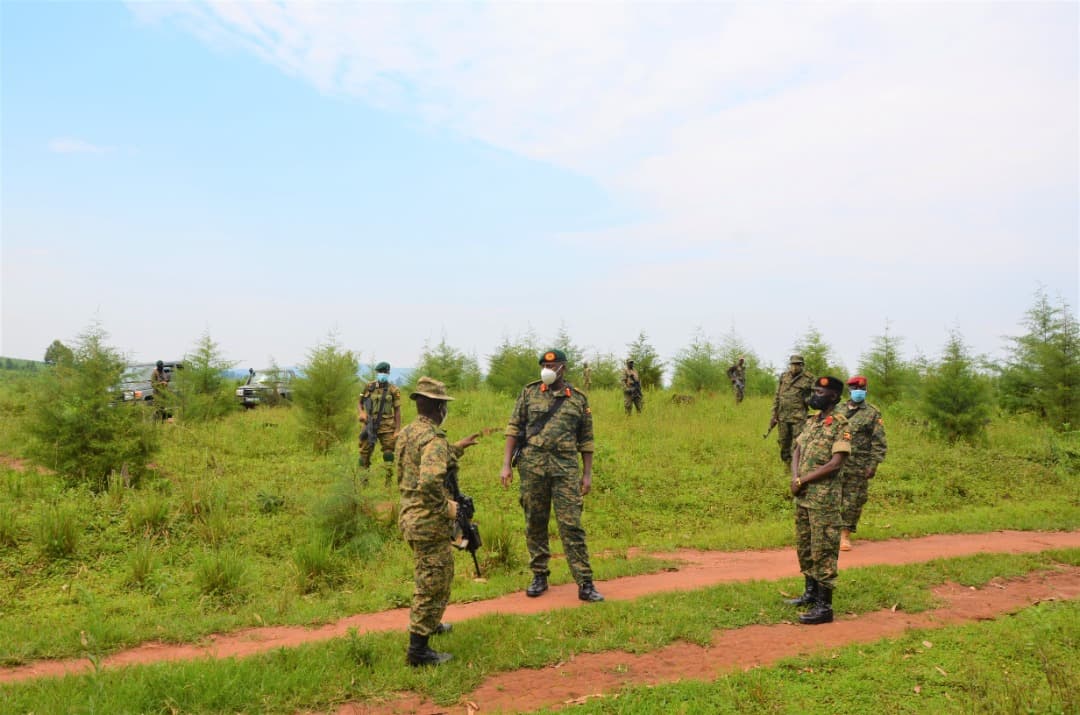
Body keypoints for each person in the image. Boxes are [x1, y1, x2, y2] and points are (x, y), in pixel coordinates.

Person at [500, 349, 603, 602]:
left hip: (565, 470)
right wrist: (506, 465)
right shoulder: (529, 392)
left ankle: (585, 582)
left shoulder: (578, 399)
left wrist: (587, 474)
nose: (547, 370)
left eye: (553, 365)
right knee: (535, 522)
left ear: (563, 368)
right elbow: (513, 428)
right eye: (544, 366)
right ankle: (539, 575)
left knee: (571, 525)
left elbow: (586, 440)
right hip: (532, 468)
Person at [396, 376, 480, 667]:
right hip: (428, 522)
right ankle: (418, 650)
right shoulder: (433, 439)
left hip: (410, 516)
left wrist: (456, 447)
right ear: (440, 407)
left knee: (430, 574)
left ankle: (430, 624)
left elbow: (421, 460)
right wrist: (448, 508)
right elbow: (431, 480)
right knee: (433, 582)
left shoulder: (408, 433)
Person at [785, 376, 850, 625]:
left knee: (823, 548)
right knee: (805, 545)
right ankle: (810, 594)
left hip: (824, 499)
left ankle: (825, 606)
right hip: (803, 496)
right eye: (814, 391)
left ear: (833, 396)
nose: (814, 395)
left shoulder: (840, 424)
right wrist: (795, 478)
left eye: (820, 392)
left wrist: (802, 480)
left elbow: (835, 464)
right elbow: (797, 450)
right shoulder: (812, 422)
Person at [837, 376, 888, 551]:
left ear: (866, 390)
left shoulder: (872, 413)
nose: (859, 392)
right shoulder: (837, 409)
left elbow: (879, 441)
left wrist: (873, 464)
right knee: (831, 498)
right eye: (856, 389)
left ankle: (845, 535)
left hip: (858, 464)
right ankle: (829, 532)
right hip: (834, 462)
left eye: (862, 389)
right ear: (849, 391)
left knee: (853, 501)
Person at [358, 362, 401, 482]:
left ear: (388, 373)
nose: (382, 374)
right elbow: (360, 403)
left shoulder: (393, 389)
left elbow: (397, 410)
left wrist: (397, 429)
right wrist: (362, 413)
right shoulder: (369, 387)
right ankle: (363, 481)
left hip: (387, 425)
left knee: (389, 452)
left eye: (384, 372)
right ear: (377, 373)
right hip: (369, 424)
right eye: (380, 372)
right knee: (364, 453)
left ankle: (388, 479)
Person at [770, 355, 815, 467]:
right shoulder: (784, 376)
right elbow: (777, 396)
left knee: (797, 443)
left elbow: (816, 395)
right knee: (783, 442)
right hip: (783, 416)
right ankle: (786, 464)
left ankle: (795, 467)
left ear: (802, 365)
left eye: (797, 364)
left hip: (798, 417)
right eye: (793, 364)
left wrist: (807, 399)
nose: (794, 367)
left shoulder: (809, 378)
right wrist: (774, 415)